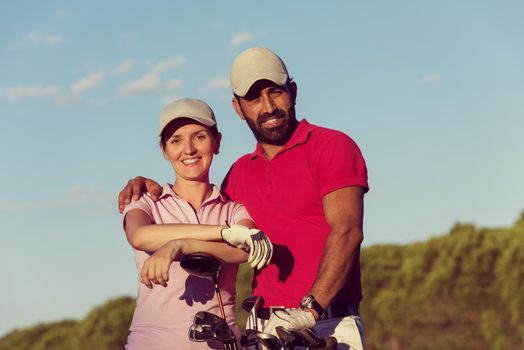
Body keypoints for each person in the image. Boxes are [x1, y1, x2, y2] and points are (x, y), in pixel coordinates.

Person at [119, 48, 369, 349]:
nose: (268, 106)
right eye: (253, 98)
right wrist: (144, 184)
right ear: (238, 108)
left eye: (275, 92)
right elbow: (230, 239)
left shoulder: (331, 146)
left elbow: (347, 231)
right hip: (262, 331)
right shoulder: (237, 175)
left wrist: (309, 310)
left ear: (293, 91)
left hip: (325, 323)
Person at [121, 98, 273, 350]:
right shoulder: (146, 201)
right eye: (176, 140)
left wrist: (181, 245)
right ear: (165, 150)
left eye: (199, 137)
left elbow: (245, 249)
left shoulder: (233, 209)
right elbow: (139, 235)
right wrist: (223, 233)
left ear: (217, 142)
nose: (189, 149)